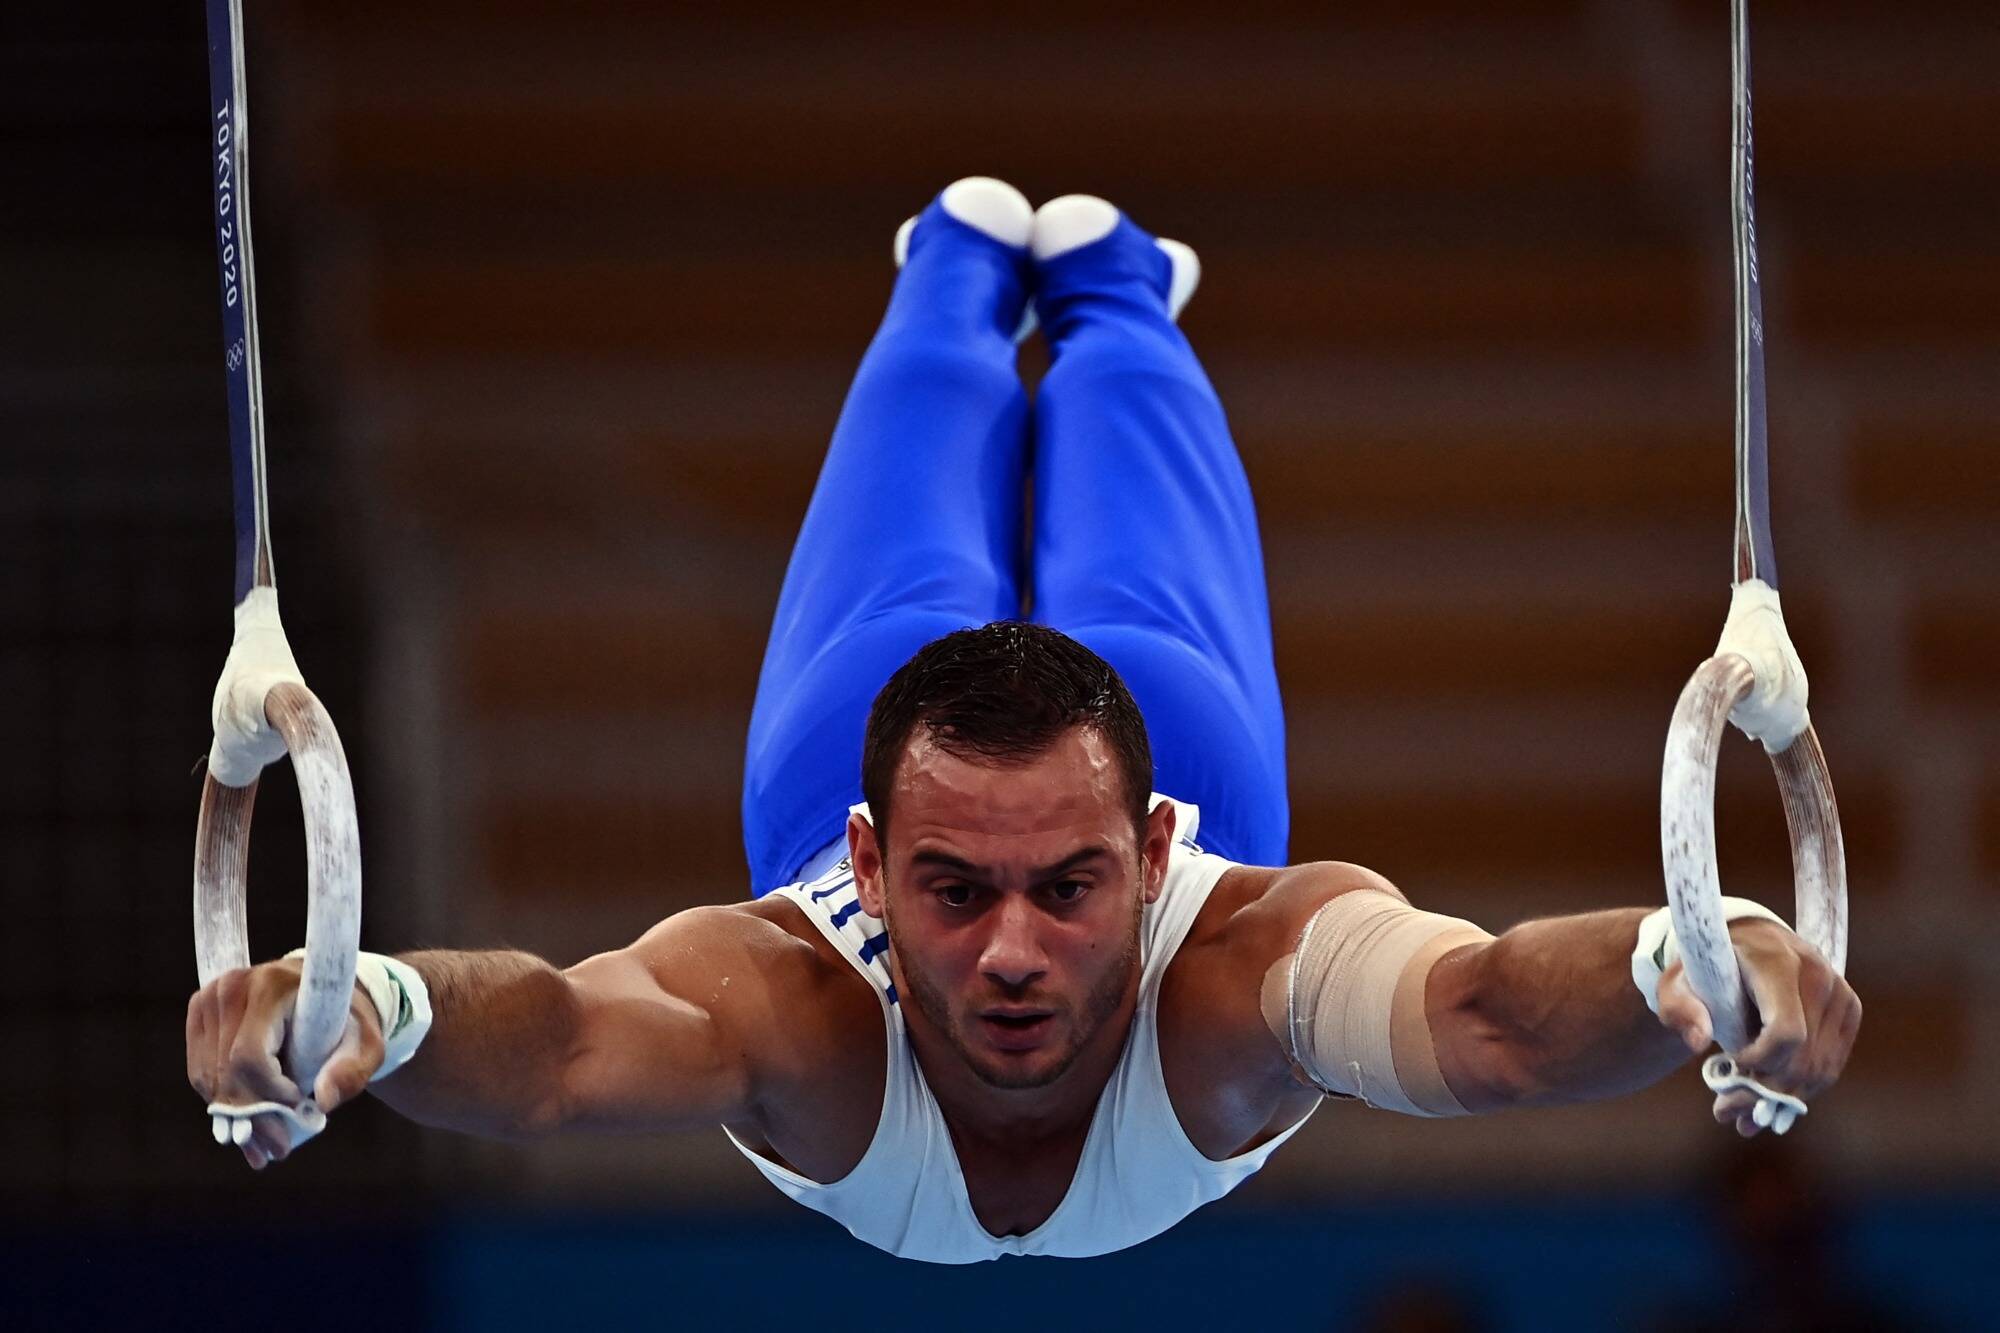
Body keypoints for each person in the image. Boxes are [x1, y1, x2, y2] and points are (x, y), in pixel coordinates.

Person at [185, 179, 1861, 1264]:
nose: (1006, 949)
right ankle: (1018, 278)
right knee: (977, 536)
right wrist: (378, 1011)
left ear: (1150, 854)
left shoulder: (1237, 972)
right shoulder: (794, 1001)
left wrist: (1683, 964)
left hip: (1156, 736)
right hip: (919, 748)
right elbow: (551, 1044)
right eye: (952, 887)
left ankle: (1054, 281)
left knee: (998, 533)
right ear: (867, 859)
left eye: (1066, 885)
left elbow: (1488, 1010)